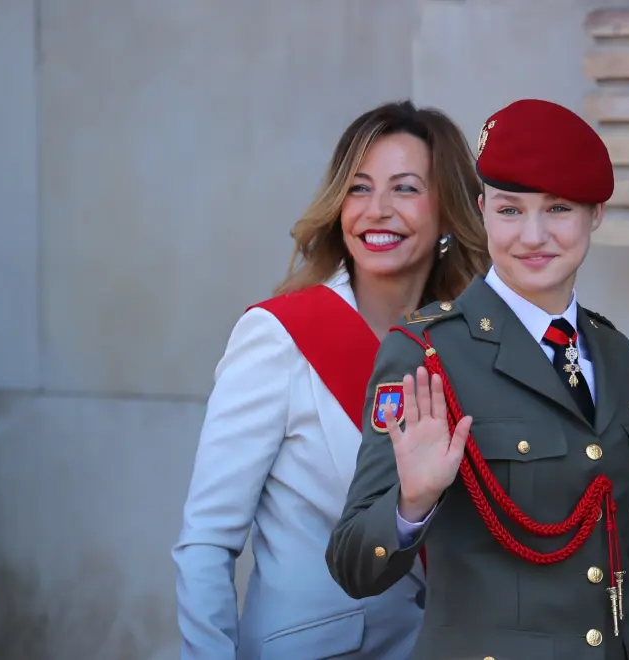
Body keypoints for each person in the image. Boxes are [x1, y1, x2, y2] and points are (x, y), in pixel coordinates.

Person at [326, 99, 629, 660]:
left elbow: (619, 572)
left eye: (558, 209)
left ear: (595, 214)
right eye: (509, 210)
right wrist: (412, 501)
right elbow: (353, 563)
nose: (532, 236)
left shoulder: (614, 354)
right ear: (481, 210)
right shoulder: (426, 354)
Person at [172, 100, 489, 660]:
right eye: (360, 188)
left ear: (449, 212)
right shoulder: (279, 336)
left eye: (406, 189)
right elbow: (206, 543)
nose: (377, 210)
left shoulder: (468, 344)